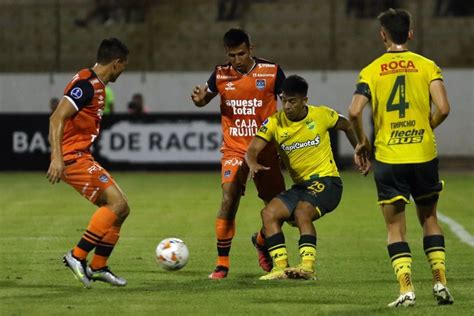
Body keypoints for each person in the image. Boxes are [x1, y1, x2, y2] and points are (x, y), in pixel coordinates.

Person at [348, 8, 453, 307]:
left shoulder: (371, 70)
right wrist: (425, 126)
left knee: (395, 228)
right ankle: (440, 283)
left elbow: (354, 111)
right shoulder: (427, 65)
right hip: (422, 154)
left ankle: (407, 290)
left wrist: (363, 142)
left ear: (383, 35)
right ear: (409, 33)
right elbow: (444, 108)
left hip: (390, 157)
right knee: (430, 217)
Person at [245, 75, 367, 280]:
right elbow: (252, 149)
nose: (287, 105)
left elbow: (346, 124)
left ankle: (307, 267)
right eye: (283, 100)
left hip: (328, 182)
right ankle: (281, 268)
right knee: (269, 213)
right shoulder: (275, 122)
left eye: (292, 101)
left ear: (304, 100)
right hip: (301, 187)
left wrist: (358, 147)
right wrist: (252, 162)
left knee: (303, 212)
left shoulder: (321, 115)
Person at [191, 28, 286, 279]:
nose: (237, 60)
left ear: (251, 49)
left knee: (280, 209)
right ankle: (222, 264)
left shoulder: (272, 72)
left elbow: (289, 103)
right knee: (228, 196)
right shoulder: (220, 74)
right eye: (232, 55)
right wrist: (200, 100)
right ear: (226, 53)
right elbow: (205, 99)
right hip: (234, 149)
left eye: (241, 54)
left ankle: (261, 240)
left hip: (265, 149)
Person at [47, 38, 130, 288]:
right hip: (73, 159)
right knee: (116, 204)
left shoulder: (95, 83)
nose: (124, 70)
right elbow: (56, 117)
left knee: (121, 209)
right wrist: (57, 157)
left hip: (82, 156)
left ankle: (99, 266)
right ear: (116, 63)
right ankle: (77, 255)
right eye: (124, 65)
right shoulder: (86, 85)